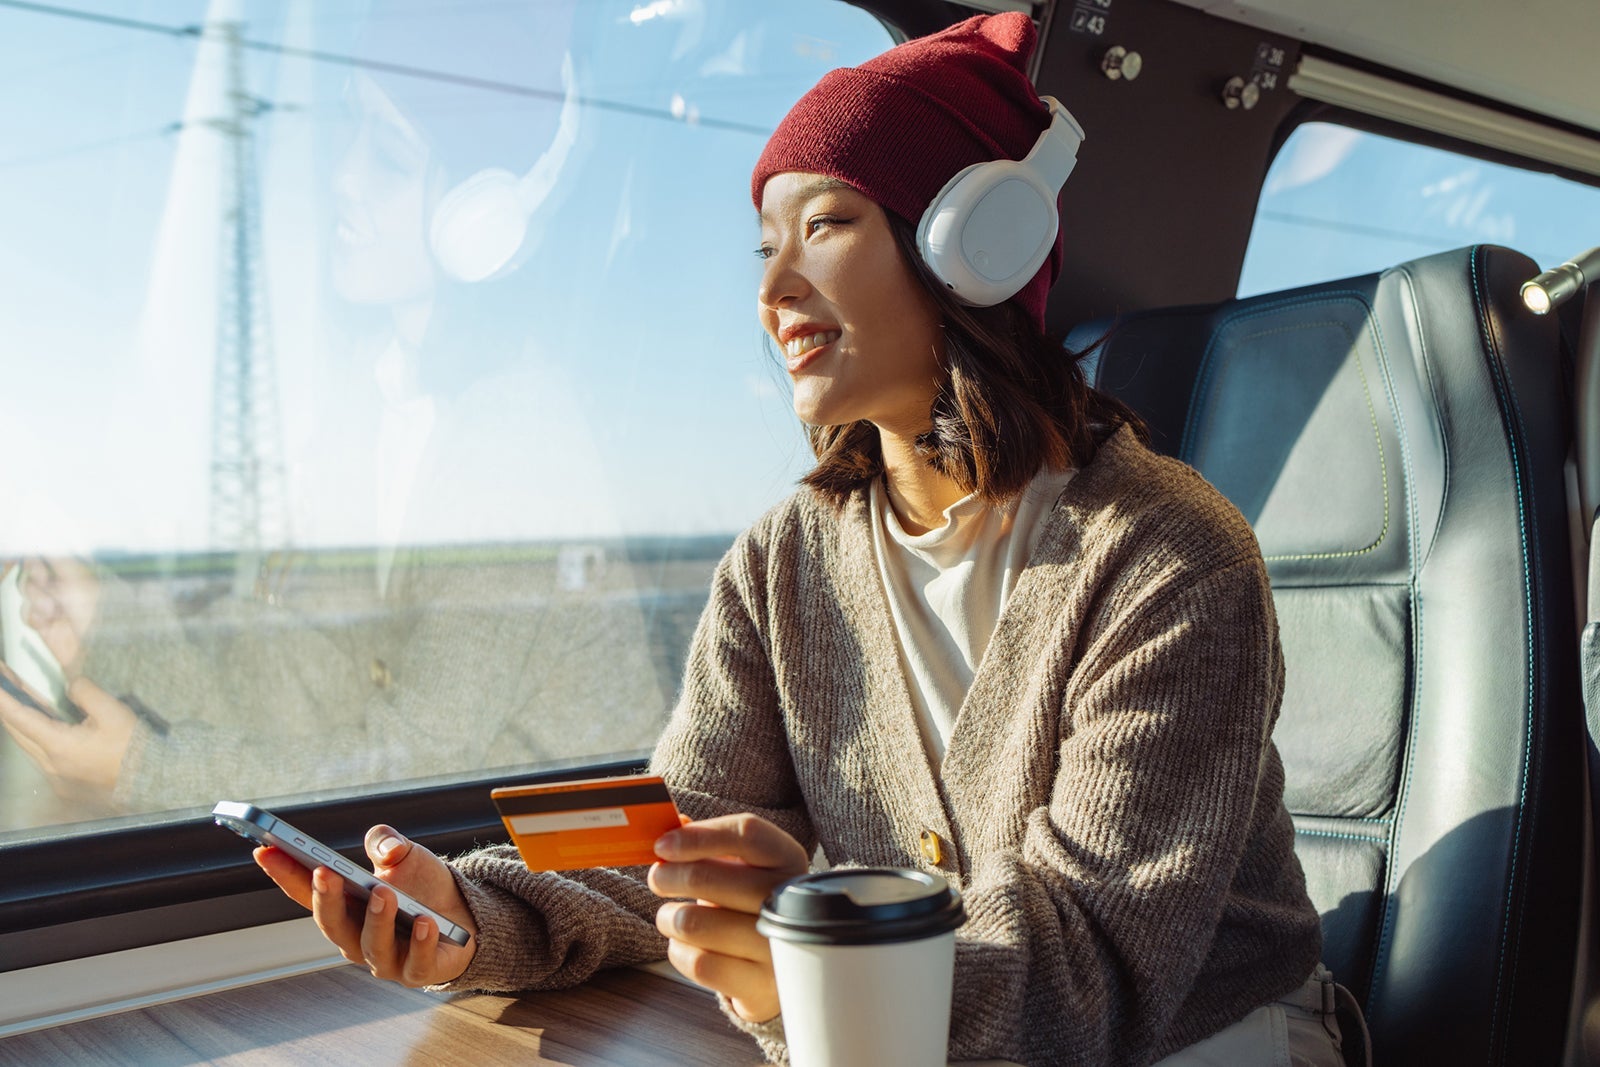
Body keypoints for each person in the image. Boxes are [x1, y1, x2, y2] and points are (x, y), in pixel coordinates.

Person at [256, 13, 1364, 1065]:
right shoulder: (781, 563)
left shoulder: (1168, 556)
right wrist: (474, 913)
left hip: (1201, 1040)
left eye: (824, 227)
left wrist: (811, 968)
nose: (773, 290)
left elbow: (1093, 975)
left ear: (974, 243)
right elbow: (677, 847)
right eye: (765, 247)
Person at [0, 2, 671, 823]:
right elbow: (306, 685)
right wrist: (115, 624)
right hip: (433, 883)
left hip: (549, 894)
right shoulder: (380, 391)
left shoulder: (518, 452)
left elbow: (411, 769)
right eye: (350, 134)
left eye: (386, 157)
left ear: (479, 218)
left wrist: (146, 774)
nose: (343, 177)